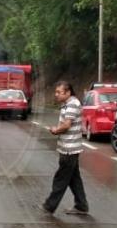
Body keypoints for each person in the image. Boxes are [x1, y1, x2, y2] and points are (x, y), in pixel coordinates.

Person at [34, 81, 89, 216]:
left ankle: (49, 205)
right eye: (56, 92)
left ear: (68, 92)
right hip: (70, 148)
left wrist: (55, 130)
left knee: (61, 178)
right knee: (74, 178)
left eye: (59, 92)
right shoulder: (69, 104)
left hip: (69, 150)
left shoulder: (71, 105)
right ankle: (81, 206)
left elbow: (66, 125)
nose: (56, 95)